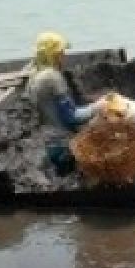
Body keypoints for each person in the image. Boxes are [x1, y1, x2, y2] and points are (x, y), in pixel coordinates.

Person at [24, 31, 98, 175]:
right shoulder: (52, 77)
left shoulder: (33, 76)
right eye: (61, 53)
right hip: (64, 146)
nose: (64, 57)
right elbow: (72, 117)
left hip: (47, 143)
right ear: (52, 55)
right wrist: (98, 107)